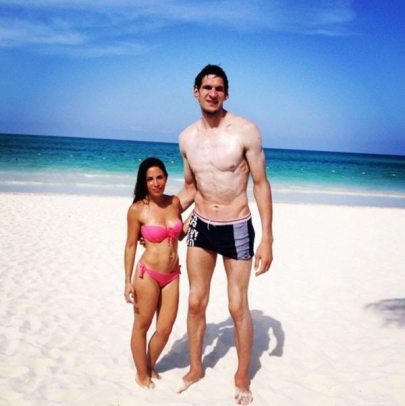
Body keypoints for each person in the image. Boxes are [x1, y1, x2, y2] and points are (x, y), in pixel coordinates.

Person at [177, 64, 274, 405]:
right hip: (201, 224)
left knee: (237, 306)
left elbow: (260, 184)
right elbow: (190, 188)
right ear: (196, 92)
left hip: (236, 226)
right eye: (207, 87)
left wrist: (267, 238)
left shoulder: (246, 131)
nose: (212, 93)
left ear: (226, 94)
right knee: (195, 301)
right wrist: (166, 216)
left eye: (218, 88)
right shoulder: (186, 138)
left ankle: (242, 375)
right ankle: (195, 368)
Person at [124, 157, 186, 389]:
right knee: (142, 325)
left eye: (159, 177)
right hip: (147, 274)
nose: (156, 183)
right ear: (144, 182)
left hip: (172, 275)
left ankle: (148, 365)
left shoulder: (175, 202)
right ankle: (142, 374)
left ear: (166, 178)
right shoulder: (137, 210)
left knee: (165, 329)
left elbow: (179, 234)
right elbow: (131, 245)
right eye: (150, 179)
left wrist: (195, 217)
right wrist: (127, 281)